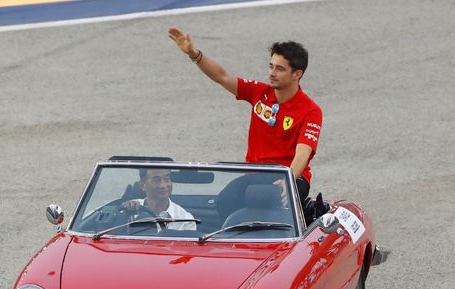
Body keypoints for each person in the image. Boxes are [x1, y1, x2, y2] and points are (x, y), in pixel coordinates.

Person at [168, 27, 322, 201]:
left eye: (279, 69)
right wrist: (194, 54)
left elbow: (303, 153)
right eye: (271, 66)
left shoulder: (311, 111)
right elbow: (221, 77)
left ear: (297, 74)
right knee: (225, 202)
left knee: (263, 201)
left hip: (290, 176)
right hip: (255, 175)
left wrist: (288, 179)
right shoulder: (258, 92)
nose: (271, 73)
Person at [122, 168, 197, 230]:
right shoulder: (130, 208)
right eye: (157, 180)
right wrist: (126, 213)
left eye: (167, 179)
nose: (163, 185)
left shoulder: (185, 219)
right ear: (142, 185)